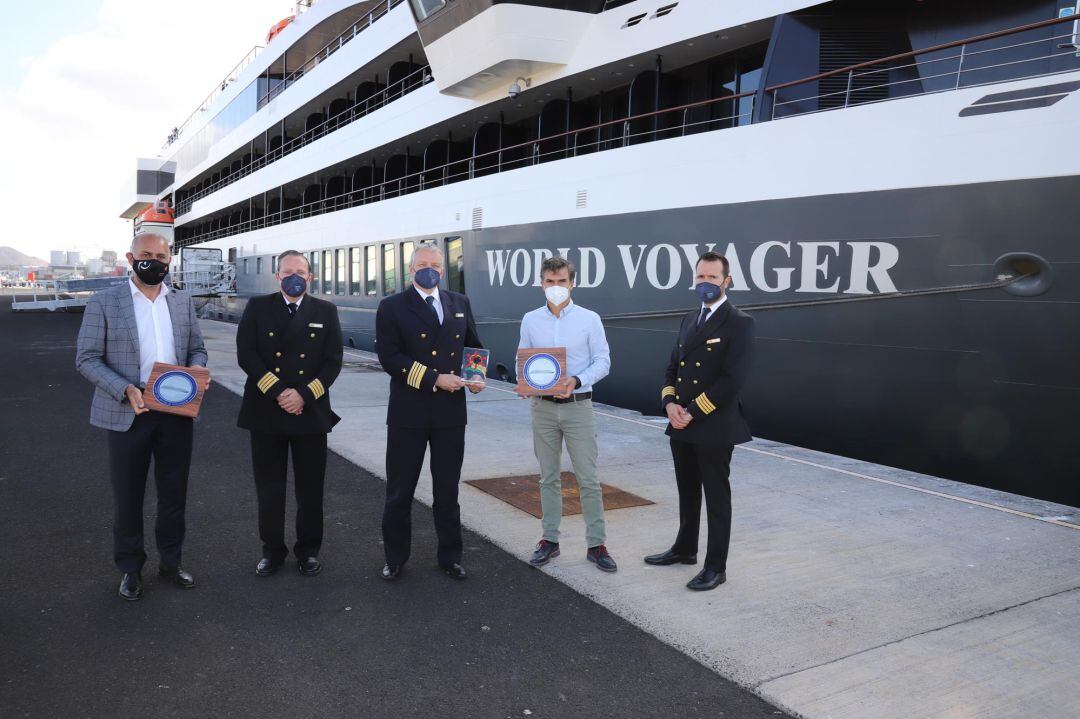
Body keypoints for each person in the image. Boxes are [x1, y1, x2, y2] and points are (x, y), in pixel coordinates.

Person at [75, 232, 209, 601]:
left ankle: (171, 562)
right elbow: (86, 358)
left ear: (170, 260)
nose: (155, 262)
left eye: (161, 256)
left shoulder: (181, 302)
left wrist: (196, 375)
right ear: (131, 258)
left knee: (173, 495)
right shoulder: (105, 302)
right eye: (146, 255)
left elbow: (196, 349)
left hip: (175, 412)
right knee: (128, 496)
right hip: (127, 412)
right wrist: (125, 389)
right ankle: (131, 569)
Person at [644, 251, 755, 591]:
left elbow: (732, 379)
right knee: (687, 490)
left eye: (712, 278)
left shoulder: (739, 322)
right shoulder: (689, 319)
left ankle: (715, 566)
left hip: (713, 423)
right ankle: (684, 548)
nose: (705, 283)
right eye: (701, 277)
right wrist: (669, 404)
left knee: (717, 498)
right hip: (681, 422)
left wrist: (691, 410)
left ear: (727, 281)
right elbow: (672, 367)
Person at [375, 244, 484, 581]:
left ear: (442, 269)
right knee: (399, 491)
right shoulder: (392, 306)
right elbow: (390, 358)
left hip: (450, 415)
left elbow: (473, 346)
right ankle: (395, 558)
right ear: (410, 269)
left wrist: (476, 375)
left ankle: (450, 557)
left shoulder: (459, 302)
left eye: (436, 265)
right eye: (423, 264)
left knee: (447, 490)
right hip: (409, 413)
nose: (430, 269)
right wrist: (437, 379)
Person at [236, 250, 343, 578]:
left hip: (309, 412)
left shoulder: (325, 310)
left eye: (300, 271)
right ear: (277, 275)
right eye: (287, 271)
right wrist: (280, 391)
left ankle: (308, 551)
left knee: (310, 489)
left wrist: (304, 395)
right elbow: (247, 355)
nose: (293, 276)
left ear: (310, 277)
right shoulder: (258, 308)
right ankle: (272, 551)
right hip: (267, 411)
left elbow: (332, 361)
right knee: (269, 488)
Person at [517, 256, 616, 572]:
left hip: (578, 407)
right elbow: (524, 359)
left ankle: (596, 544)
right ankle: (549, 540)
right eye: (550, 281)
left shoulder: (589, 319)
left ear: (572, 283)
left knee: (588, 478)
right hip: (542, 408)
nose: (556, 287)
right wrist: (525, 383)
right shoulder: (530, 319)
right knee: (548, 477)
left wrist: (576, 380)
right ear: (541, 284)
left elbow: (603, 362)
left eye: (561, 281)